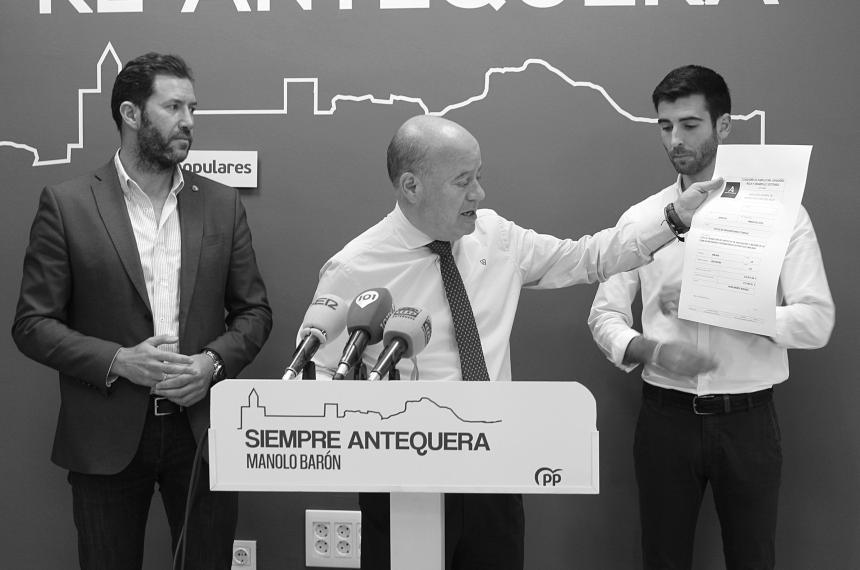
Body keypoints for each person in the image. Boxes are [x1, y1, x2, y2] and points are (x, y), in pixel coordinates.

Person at [302, 114, 723, 570]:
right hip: (405, 481)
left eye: (479, 177)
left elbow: (588, 257)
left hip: (494, 470)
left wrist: (673, 219)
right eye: (463, 181)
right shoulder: (354, 269)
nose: (479, 194)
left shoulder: (496, 237)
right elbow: (320, 378)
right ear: (411, 186)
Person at [12, 52, 272, 569]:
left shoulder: (222, 204)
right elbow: (32, 324)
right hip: (105, 435)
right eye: (173, 107)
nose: (188, 121)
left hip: (201, 432)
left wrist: (211, 364)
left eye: (192, 108)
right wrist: (118, 360)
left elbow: (255, 312)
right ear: (131, 114)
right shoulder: (67, 205)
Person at [588, 65, 834, 570]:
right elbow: (604, 316)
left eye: (689, 125)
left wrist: (726, 304)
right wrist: (651, 350)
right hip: (664, 418)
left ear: (723, 125)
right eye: (665, 126)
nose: (675, 140)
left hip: (748, 421)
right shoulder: (642, 220)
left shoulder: (783, 214)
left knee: (753, 559)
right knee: (662, 558)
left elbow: (816, 322)